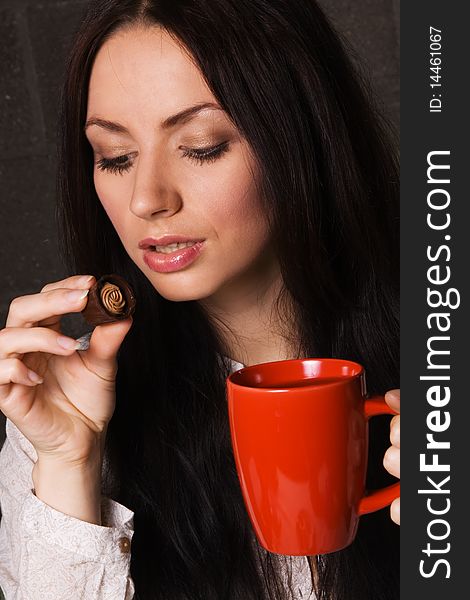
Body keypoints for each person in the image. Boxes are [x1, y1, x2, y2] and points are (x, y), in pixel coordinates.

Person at [0, 0, 400, 598]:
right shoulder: (61, 399)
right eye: (115, 157)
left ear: (302, 136)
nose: (146, 200)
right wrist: (68, 464)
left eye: (202, 146)